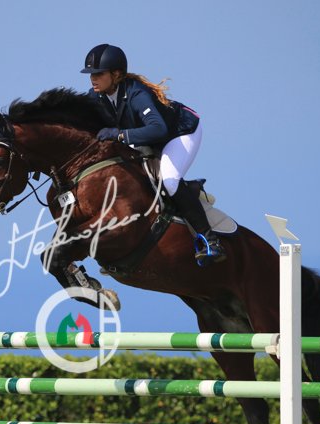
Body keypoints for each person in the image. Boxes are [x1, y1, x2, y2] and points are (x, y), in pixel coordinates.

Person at [81, 43, 226, 264]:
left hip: (180, 132)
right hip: (149, 138)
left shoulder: (137, 94)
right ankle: (189, 191)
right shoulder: (96, 96)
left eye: (99, 74)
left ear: (116, 74)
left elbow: (159, 129)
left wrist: (119, 135)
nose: (93, 79)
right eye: (91, 74)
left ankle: (209, 239)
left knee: (169, 180)